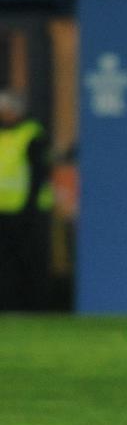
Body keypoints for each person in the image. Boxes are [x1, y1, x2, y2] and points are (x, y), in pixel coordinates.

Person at [0, 90, 50, 311]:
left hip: (29, 211)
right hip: (4, 209)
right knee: (6, 265)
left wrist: (29, 206)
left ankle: (35, 308)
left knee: (30, 263)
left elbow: (39, 173)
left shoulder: (31, 134)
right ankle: (9, 307)